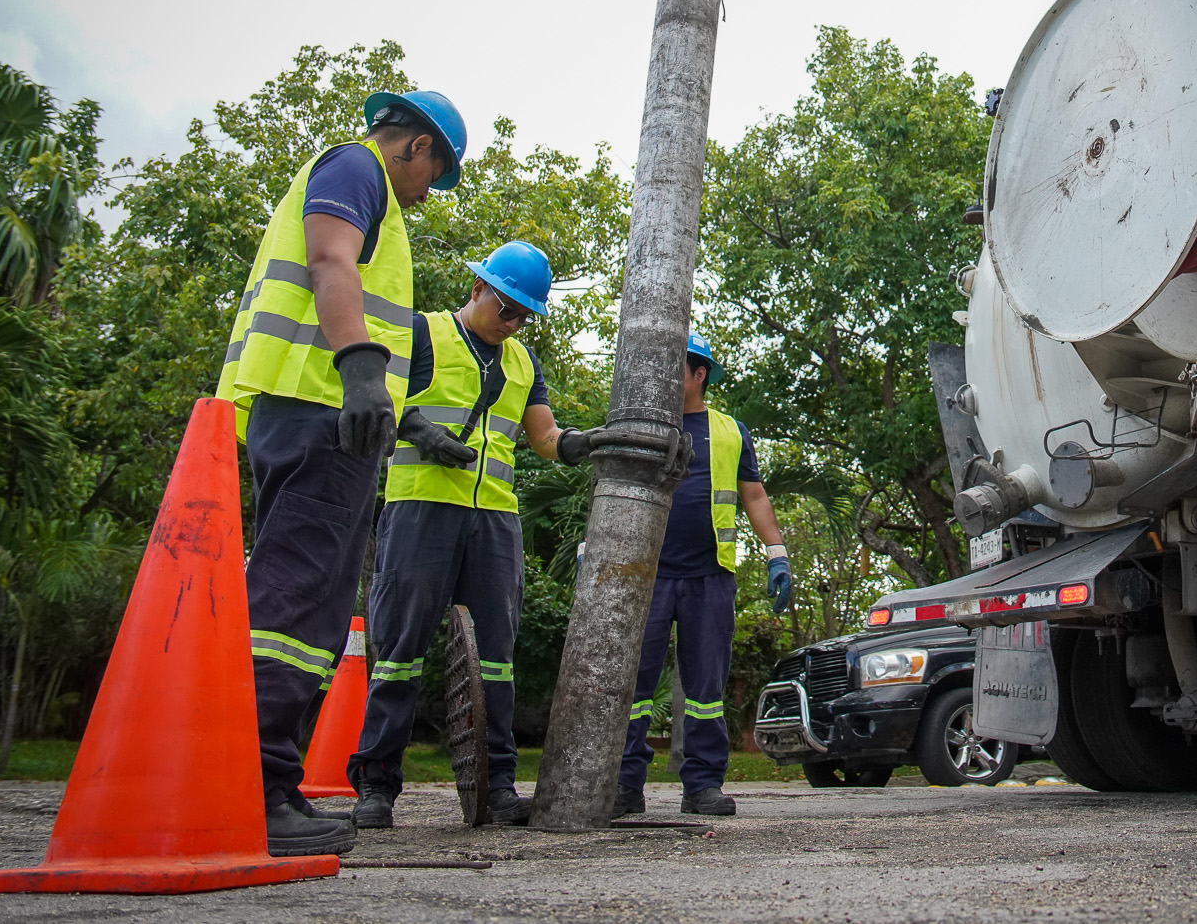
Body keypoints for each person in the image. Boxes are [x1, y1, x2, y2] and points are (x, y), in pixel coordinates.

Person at [216, 89, 468, 857]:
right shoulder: (357, 169)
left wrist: (404, 415)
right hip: (319, 409)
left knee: (309, 596)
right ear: (415, 146)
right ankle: (254, 788)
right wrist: (360, 373)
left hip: (328, 416)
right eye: (436, 175)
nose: (428, 193)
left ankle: (266, 783)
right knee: (296, 599)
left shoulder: (361, 181)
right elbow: (331, 260)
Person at [347, 241, 593, 829]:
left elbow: (545, 437)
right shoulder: (421, 333)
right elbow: (384, 400)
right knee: (399, 650)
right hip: (420, 509)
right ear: (478, 287)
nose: (511, 323)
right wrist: (424, 434)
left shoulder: (522, 364)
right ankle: (376, 787)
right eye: (505, 308)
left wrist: (586, 443)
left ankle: (499, 786)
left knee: (496, 658)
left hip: (494, 520)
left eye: (522, 316)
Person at [614, 335, 791, 817]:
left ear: (700, 375)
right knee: (634, 687)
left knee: (706, 691)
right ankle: (625, 785)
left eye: (677, 369)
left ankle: (703, 785)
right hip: (643, 575)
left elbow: (753, 495)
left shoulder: (730, 431)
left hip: (709, 578)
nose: (665, 379)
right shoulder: (641, 424)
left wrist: (777, 553)